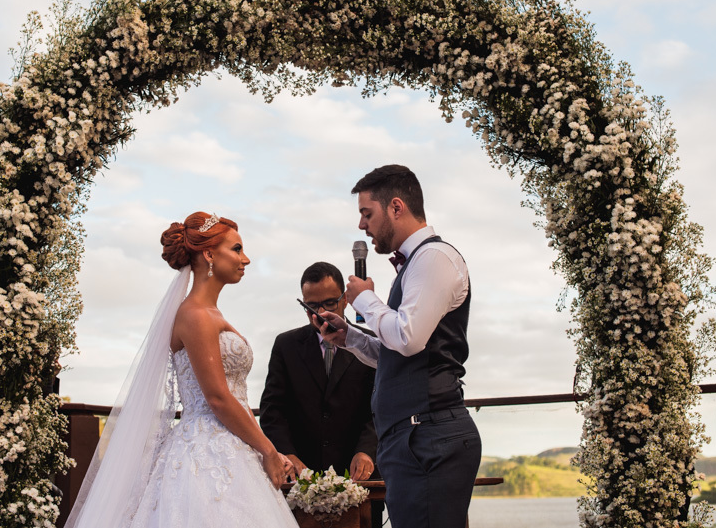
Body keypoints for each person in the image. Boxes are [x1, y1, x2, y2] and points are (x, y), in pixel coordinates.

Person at [64, 212, 299, 528]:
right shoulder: (195, 315)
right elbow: (217, 397)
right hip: (205, 454)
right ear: (209, 254)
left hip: (233, 445)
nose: (246, 259)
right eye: (237, 249)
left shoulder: (210, 312)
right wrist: (269, 450)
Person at [317, 165, 482, 528]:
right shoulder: (416, 264)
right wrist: (350, 338)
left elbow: (407, 338)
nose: (362, 226)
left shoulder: (434, 258)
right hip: (411, 438)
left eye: (366, 213)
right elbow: (402, 353)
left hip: (429, 437)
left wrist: (364, 300)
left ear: (395, 207)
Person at [259, 261, 384, 527]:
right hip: (299, 483)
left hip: (360, 478)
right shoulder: (286, 345)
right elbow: (272, 411)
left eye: (330, 303)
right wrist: (287, 454)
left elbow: (380, 407)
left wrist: (366, 452)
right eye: (312, 307)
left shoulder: (372, 343)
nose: (321, 313)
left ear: (346, 300)